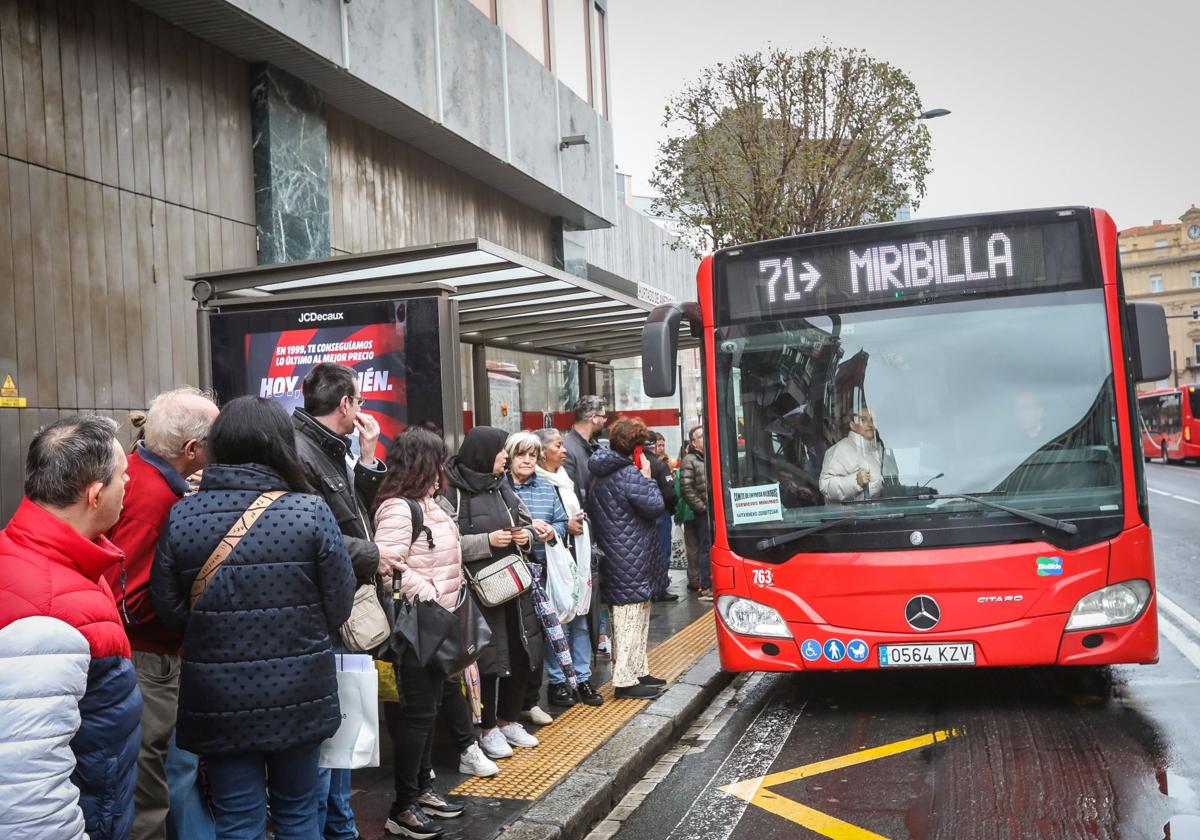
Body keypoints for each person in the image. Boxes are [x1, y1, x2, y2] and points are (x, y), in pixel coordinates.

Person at [151, 396, 356, 839]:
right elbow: (340, 606)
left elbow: (168, 608)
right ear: (280, 445)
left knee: (238, 819)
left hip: (219, 697)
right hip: (301, 691)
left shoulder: (183, 515)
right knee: (299, 813)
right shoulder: (310, 511)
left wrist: (214, 635)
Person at [0, 415, 141, 840]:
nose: (129, 483)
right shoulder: (46, 614)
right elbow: (28, 792)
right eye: (123, 476)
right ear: (95, 494)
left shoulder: (55, 559)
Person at [103, 387, 218, 840]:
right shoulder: (155, 501)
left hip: (142, 652)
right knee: (150, 785)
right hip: (147, 656)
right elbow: (130, 596)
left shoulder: (139, 478)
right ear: (192, 451)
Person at [291, 362, 400, 840]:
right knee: (327, 739)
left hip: (338, 603)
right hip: (324, 611)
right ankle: (331, 828)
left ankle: (340, 826)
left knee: (341, 734)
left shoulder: (328, 447)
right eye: (358, 400)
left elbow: (350, 512)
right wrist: (374, 554)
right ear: (346, 405)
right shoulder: (302, 451)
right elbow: (319, 534)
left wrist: (369, 453)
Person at [374, 429, 469, 839]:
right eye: (437, 461)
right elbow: (387, 565)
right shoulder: (399, 508)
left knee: (428, 713)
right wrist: (427, 593)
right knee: (415, 717)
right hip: (416, 627)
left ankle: (424, 790)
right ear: (421, 463)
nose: (443, 470)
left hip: (439, 623)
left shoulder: (428, 503)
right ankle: (403, 805)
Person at [441, 427, 543, 761]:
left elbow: (525, 523)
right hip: (480, 591)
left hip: (514, 585)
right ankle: (486, 729)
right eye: (502, 451)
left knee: (520, 653)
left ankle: (508, 720)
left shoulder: (502, 487)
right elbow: (447, 542)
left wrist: (525, 536)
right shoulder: (452, 490)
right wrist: (488, 541)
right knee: (488, 661)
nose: (506, 457)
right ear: (485, 453)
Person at [505, 432, 587, 712]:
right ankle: (516, 706)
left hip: (546, 572)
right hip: (511, 575)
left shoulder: (545, 487)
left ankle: (542, 693)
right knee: (519, 641)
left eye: (532, 455)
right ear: (509, 457)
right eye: (521, 455)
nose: (527, 460)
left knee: (548, 633)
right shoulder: (501, 488)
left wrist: (552, 530)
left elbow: (563, 523)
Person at [587, 417, 667, 700]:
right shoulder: (629, 474)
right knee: (630, 617)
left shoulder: (602, 472)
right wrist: (648, 478)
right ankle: (625, 680)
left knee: (631, 614)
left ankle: (638, 670)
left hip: (619, 551)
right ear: (634, 447)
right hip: (629, 555)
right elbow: (656, 506)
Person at [534, 427, 602, 707]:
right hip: (551, 562)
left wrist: (578, 524)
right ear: (542, 453)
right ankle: (559, 681)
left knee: (582, 621)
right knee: (558, 623)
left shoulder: (564, 479)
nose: (563, 451)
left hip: (577, 558)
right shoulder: (537, 483)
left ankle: (583, 678)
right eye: (557, 446)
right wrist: (565, 528)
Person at [819, 406, 885, 503]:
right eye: (863, 420)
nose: (870, 424)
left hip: (882, 513)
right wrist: (855, 482)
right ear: (852, 425)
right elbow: (825, 485)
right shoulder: (841, 449)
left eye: (872, 420)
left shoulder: (880, 449)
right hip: (853, 516)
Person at [679, 425, 713, 600]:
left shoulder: (709, 456)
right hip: (703, 512)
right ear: (693, 442)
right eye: (701, 436)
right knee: (704, 547)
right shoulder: (690, 460)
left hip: (714, 511)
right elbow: (686, 488)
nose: (704, 439)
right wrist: (701, 507)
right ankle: (706, 584)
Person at [646, 432, 679, 603]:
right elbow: (670, 493)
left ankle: (648, 587)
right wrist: (672, 507)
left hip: (642, 516)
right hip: (660, 513)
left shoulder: (632, 463)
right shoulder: (659, 465)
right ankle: (660, 588)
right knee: (662, 551)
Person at [563, 395, 608, 503]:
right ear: (594, 418)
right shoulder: (566, 448)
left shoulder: (594, 446)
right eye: (603, 417)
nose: (605, 421)